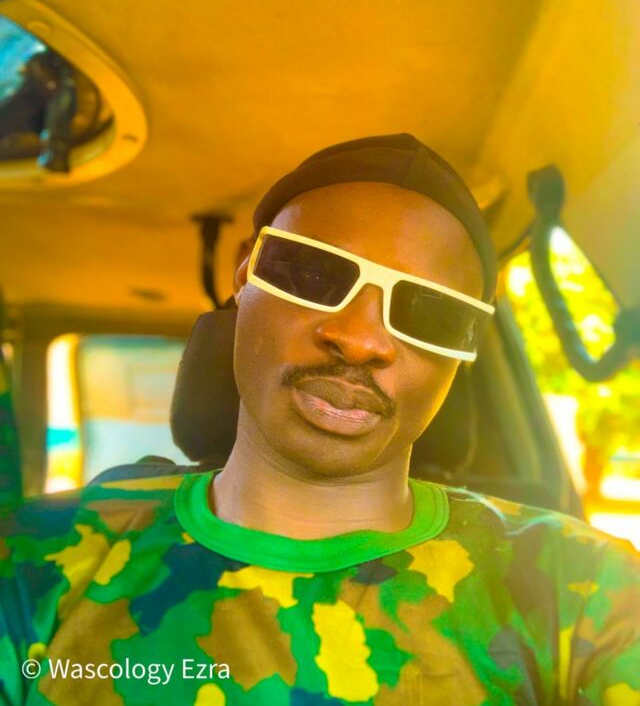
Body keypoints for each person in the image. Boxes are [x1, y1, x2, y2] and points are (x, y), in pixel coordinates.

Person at [1, 134, 638, 705]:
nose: (361, 339)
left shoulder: (581, 587)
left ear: (462, 351)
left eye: (430, 313)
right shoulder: (32, 558)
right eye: (312, 274)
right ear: (246, 274)